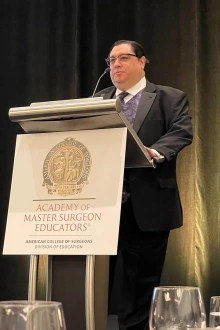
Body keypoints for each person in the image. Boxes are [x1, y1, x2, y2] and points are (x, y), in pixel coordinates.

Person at [95, 40, 193, 330]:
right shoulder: (99, 99)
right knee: (96, 284)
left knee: (139, 288)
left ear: (142, 62)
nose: (116, 65)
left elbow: (181, 131)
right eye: (111, 61)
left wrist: (154, 152)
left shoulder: (169, 97)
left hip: (147, 206)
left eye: (123, 58)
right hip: (101, 209)